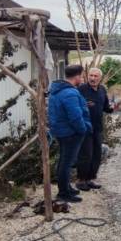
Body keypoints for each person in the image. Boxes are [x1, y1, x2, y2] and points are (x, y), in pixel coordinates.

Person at [47, 64, 92, 203]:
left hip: (61, 131)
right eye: (82, 76)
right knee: (67, 163)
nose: (83, 78)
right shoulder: (70, 93)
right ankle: (64, 193)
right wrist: (83, 129)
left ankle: (66, 187)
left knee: (64, 161)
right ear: (77, 76)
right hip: (70, 133)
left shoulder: (58, 90)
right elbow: (75, 116)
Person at [76, 67, 114, 191]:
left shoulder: (102, 90)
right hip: (85, 128)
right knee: (85, 155)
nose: (92, 78)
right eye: (91, 76)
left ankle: (91, 179)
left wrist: (113, 107)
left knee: (97, 154)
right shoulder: (81, 89)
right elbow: (75, 107)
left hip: (98, 128)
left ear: (100, 78)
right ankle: (81, 180)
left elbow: (106, 107)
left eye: (95, 76)